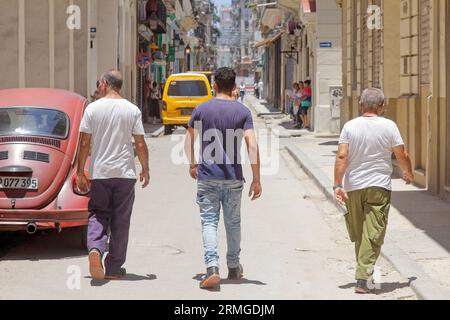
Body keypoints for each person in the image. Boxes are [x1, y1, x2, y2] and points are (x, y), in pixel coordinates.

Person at [185, 67, 262, 289]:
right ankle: (234, 266)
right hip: (233, 178)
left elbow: (189, 138)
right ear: (234, 86)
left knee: (209, 222)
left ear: (215, 85)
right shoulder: (242, 112)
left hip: (207, 176)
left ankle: (212, 268)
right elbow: (252, 145)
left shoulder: (201, 109)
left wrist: (192, 163)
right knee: (233, 223)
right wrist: (256, 179)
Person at [334, 88, 413, 294]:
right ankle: (364, 279)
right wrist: (408, 173)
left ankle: (367, 275)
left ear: (361, 105)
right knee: (373, 233)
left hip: (353, 186)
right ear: (382, 106)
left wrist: (337, 184)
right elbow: (401, 154)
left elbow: (342, 156)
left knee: (363, 233)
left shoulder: (349, 127)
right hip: (379, 186)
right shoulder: (389, 126)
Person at [76, 70, 150, 280]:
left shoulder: (93, 109)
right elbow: (140, 143)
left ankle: (95, 249)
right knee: (121, 220)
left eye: (99, 83)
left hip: (100, 173)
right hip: (125, 174)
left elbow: (84, 143)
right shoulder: (132, 110)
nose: (98, 86)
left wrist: (80, 171)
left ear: (106, 84)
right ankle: (114, 268)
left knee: (98, 213)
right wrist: (145, 168)